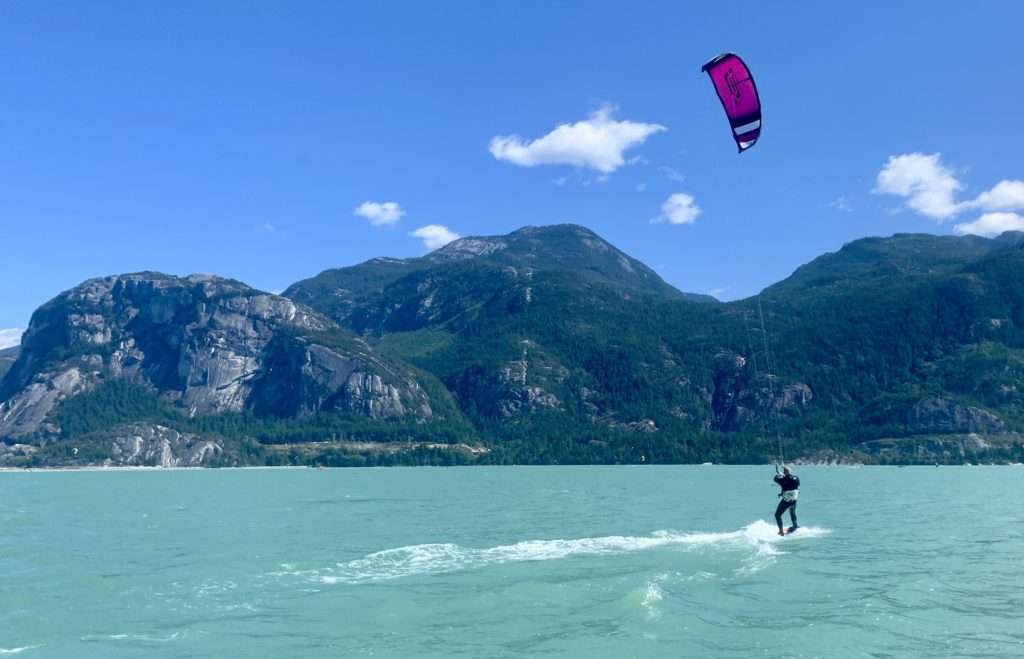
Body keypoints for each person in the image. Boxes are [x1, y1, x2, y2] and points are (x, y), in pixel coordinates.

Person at [773, 465, 799, 536]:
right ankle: (795, 526)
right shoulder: (796, 478)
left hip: (786, 501)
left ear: (785, 472)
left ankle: (781, 532)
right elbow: (787, 486)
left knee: (777, 515)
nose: (783, 472)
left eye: (784, 471)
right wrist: (781, 493)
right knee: (792, 512)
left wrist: (778, 473)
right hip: (794, 499)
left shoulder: (783, 480)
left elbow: (775, 479)